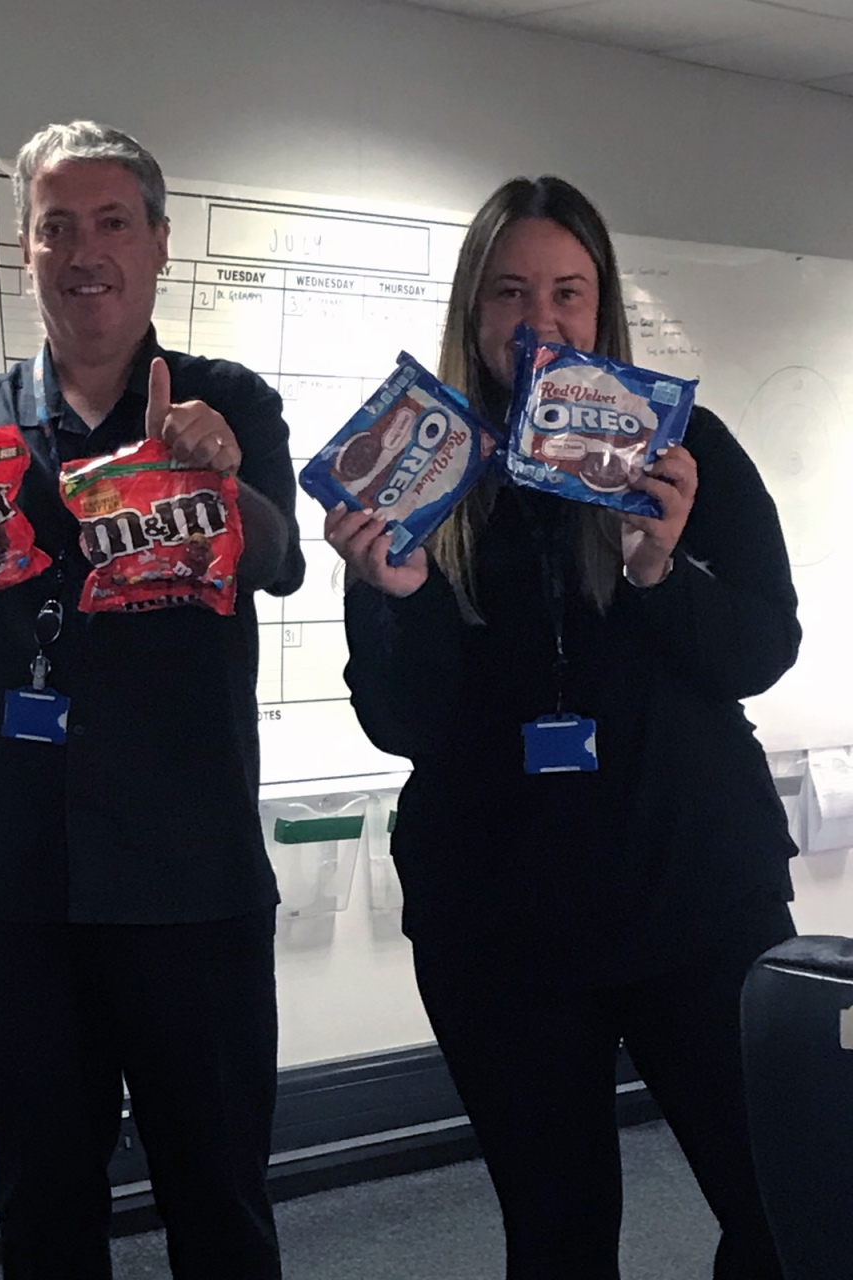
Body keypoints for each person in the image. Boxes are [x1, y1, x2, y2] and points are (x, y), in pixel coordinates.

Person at [327, 176, 797, 1279]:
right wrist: (401, 600)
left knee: (784, 1204)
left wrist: (655, 567)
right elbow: (404, 725)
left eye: (567, 292)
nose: (538, 323)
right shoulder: (414, 471)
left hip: (692, 892)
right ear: (469, 308)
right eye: (509, 292)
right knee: (557, 1237)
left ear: (603, 308)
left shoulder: (688, 449)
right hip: (502, 924)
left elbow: (761, 649)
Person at [0, 121, 305, 1280]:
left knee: (218, 1201)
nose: (85, 250)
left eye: (113, 222)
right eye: (57, 226)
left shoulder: (225, 400)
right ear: (27, 252)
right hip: (20, 892)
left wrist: (218, 480)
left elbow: (277, 556)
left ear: (159, 244)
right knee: (41, 1211)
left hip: (186, 886)